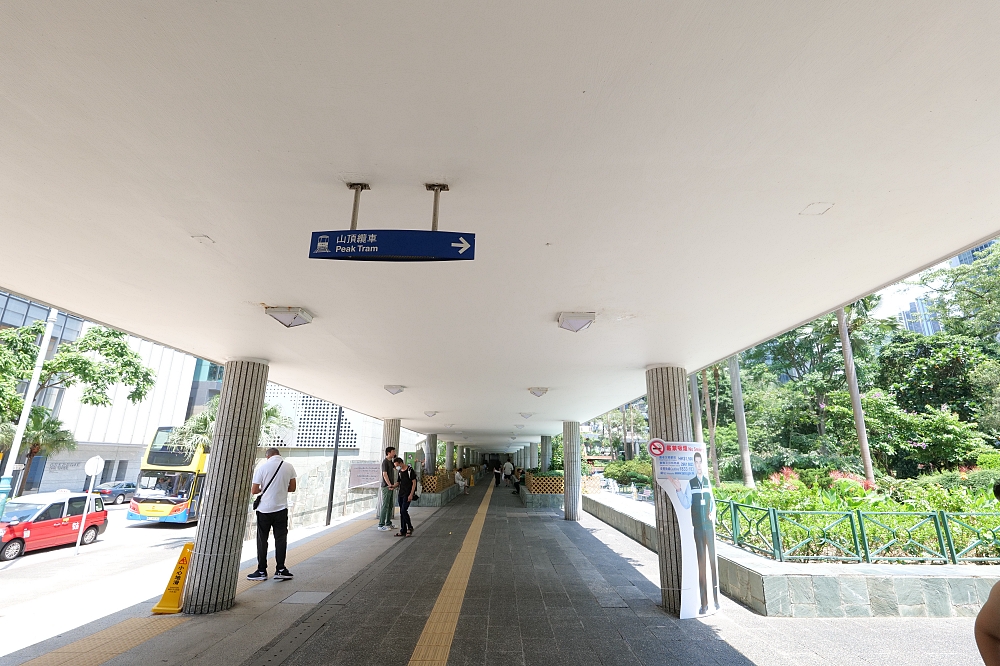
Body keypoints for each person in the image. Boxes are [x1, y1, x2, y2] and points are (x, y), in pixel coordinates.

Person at [670, 451, 719, 614]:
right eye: (696, 462)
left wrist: (712, 513)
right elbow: (685, 504)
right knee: (702, 565)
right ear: (693, 465)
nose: (698, 465)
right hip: (698, 528)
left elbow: (712, 502)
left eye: (700, 462)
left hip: (709, 528)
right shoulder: (691, 483)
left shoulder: (707, 482)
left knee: (713, 563)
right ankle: (703, 604)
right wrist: (678, 490)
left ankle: (716, 601)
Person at [247, 447, 297, 581]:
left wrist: (266, 488)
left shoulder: (262, 468)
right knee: (281, 539)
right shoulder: (289, 466)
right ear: (279, 455)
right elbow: (292, 488)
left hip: (264, 510)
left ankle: (262, 571)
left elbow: (254, 490)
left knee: (262, 540)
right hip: (281, 509)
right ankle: (281, 569)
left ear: (267, 456)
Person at [393, 457, 416, 537]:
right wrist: (393, 486)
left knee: (403, 510)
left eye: (397, 465)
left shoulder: (410, 470)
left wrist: (411, 494)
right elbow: (398, 482)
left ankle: (410, 527)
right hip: (401, 494)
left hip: (408, 493)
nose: (396, 467)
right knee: (401, 512)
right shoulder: (400, 471)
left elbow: (414, 483)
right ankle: (403, 530)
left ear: (401, 463)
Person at [378, 446, 398, 531]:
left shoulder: (391, 462)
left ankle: (388, 523)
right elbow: (384, 474)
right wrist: (389, 484)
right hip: (386, 486)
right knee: (385, 505)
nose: (394, 453)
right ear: (388, 453)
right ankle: (381, 524)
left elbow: (396, 468)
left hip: (391, 486)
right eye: (393, 451)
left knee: (390, 505)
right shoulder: (385, 462)